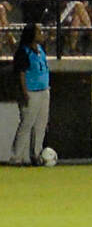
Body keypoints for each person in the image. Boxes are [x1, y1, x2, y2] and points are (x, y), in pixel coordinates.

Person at [9, 21, 49, 165]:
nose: (41, 34)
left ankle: (36, 154)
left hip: (44, 90)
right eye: (39, 32)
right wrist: (24, 92)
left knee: (40, 125)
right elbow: (21, 73)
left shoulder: (40, 49)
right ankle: (16, 157)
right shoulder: (23, 51)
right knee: (26, 124)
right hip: (31, 92)